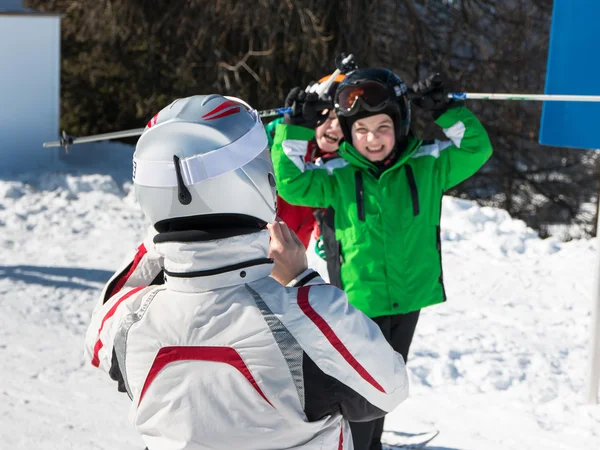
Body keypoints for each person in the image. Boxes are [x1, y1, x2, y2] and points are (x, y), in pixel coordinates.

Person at [84, 94, 409, 450]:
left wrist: (163, 230)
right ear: (257, 179)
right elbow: (388, 387)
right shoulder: (306, 317)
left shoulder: (126, 319)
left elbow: (101, 336)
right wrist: (303, 279)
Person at [271, 69, 493, 450]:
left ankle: (372, 443)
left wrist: (445, 112)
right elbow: (290, 180)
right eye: (361, 130)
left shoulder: (428, 164)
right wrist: (295, 128)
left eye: (382, 126)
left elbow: (476, 148)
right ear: (347, 131)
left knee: (388, 380)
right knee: (359, 388)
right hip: (359, 301)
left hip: (410, 296)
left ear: (401, 123)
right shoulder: (336, 175)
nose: (372, 139)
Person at [265, 74, 346, 248]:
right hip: (256, 250)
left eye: (343, 122)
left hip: (292, 258)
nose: (336, 127)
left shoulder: (341, 164)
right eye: (329, 118)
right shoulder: (278, 140)